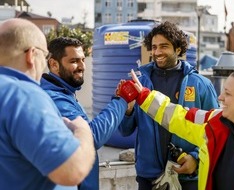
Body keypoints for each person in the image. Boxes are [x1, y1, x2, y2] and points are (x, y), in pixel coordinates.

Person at [123, 60, 234, 190]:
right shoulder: (213, 123)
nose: (220, 98)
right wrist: (144, 96)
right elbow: (178, 116)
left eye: (228, 93)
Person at [118, 21, 219, 190]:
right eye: (154, 46)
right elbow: (125, 130)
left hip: (187, 176)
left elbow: (216, 130)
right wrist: (127, 110)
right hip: (148, 177)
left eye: (164, 46)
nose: (157, 52)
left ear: (178, 49)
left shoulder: (201, 84)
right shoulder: (140, 83)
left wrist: (195, 158)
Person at [0, 18, 96, 189]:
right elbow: (73, 170)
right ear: (31, 55)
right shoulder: (22, 95)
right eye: (44, 56)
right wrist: (82, 130)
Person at [40, 37, 135, 190]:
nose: (82, 66)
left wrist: (123, 105)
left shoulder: (66, 94)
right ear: (54, 64)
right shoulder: (55, 98)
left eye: (83, 59)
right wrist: (121, 100)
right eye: (74, 61)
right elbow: (91, 138)